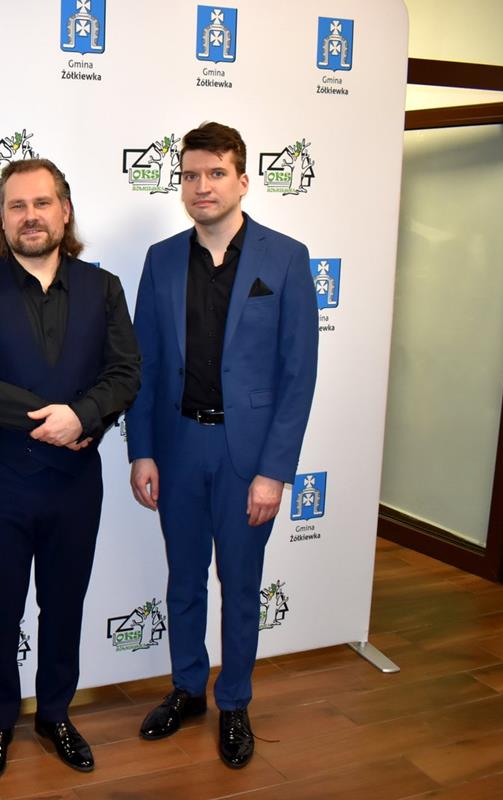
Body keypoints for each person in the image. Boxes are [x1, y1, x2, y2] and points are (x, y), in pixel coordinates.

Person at [126, 122, 318, 768]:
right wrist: (141, 450)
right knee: (183, 580)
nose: (201, 186)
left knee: (239, 584)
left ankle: (233, 700)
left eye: (215, 174)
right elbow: (144, 365)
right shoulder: (159, 260)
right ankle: (187, 689)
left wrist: (274, 472)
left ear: (242, 181)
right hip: (178, 447)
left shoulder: (284, 258)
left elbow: (297, 376)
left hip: (247, 459)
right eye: (190, 175)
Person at [0, 159, 141, 782]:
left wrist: (82, 417)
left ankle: (55, 714)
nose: (30, 216)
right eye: (17, 206)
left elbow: (125, 373)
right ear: (2, 218)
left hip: (76, 484)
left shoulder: (103, 288)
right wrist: (51, 419)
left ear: (65, 210)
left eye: (42, 203)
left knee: (65, 607)